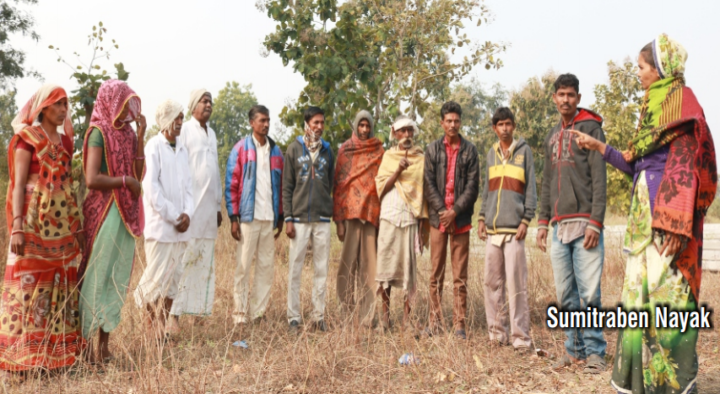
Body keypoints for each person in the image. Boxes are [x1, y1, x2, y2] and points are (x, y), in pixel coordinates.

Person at [573, 35, 716, 393]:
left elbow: (685, 167)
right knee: (639, 297)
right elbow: (635, 165)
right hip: (643, 220)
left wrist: (677, 224)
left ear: (660, 69)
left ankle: (676, 383)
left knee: (669, 297)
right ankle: (641, 381)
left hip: (667, 222)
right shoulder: (652, 106)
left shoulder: (681, 105)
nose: (637, 74)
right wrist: (598, 146)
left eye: (640, 67)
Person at [0, 85, 84, 374]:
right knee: (27, 286)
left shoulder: (66, 142)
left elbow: (68, 184)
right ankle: (21, 361)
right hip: (32, 227)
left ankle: (53, 358)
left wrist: (76, 226)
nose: (63, 110)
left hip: (60, 229)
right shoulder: (26, 141)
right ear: (43, 108)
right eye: (58, 104)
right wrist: (17, 228)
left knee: (57, 284)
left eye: (65, 104)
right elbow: (18, 185)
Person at [536, 73, 608, 373]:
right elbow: (547, 181)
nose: (565, 99)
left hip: (585, 223)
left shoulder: (591, 129)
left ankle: (595, 353)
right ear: (554, 98)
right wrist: (542, 221)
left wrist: (596, 222)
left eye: (570, 94)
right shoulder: (552, 136)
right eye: (560, 94)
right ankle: (574, 350)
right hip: (559, 226)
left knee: (589, 292)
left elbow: (600, 179)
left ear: (578, 98)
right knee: (566, 292)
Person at [80, 79, 145, 364]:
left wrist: (141, 136)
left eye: (128, 102)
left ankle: (104, 348)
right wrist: (123, 180)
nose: (125, 109)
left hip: (124, 215)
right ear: (109, 101)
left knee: (116, 278)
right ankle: (85, 348)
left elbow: (138, 173)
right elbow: (92, 178)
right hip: (104, 211)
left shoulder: (128, 134)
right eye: (121, 101)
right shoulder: (98, 132)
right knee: (96, 276)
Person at [477, 107, 536, 353]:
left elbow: (531, 189)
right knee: (492, 283)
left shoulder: (524, 152)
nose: (504, 128)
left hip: (514, 230)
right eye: (500, 124)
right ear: (494, 128)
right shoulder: (490, 154)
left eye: (508, 124)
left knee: (516, 285)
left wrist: (526, 220)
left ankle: (520, 337)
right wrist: (482, 217)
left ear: (513, 126)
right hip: (493, 230)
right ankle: (496, 334)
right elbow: (487, 190)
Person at [133, 99, 193, 338]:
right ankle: (151, 329)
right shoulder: (153, 146)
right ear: (166, 120)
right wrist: (174, 216)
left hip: (181, 228)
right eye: (177, 118)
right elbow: (152, 188)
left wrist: (187, 213)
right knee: (155, 280)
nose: (180, 122)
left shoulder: (182, 149)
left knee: (173, 280)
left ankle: (163, 325)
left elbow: (189, 187)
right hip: (161, 227)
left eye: (181, 118)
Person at [423, 101, 480, 340]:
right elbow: (428, 183)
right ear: (442, 122)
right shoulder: (432, 149)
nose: (452, 124)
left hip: (460, 220)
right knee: (436, 273)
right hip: (438, 220)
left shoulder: (470, 150)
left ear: (460, 122)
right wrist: (442, 212)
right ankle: (434, 321)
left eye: (456, 120)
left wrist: (454, 211)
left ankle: (459, 324)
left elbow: (472, 186)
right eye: (448, 120)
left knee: (460, 276)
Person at [225, 105, 284, 326]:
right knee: (243, 266)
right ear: (252, 123)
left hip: (269, 218)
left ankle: (258, 313)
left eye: (268, 120)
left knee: (266, 268)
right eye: (262, 120)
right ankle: (240, 314)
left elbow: (279, 186)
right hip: (248, 218)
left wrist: (281, 216)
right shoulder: (241, 149)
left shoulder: (276, 151)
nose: (266, 124)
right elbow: (231, 184)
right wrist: (233, 218)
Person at [170, 89, 223, 321]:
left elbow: (216, 171)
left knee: (203, 262)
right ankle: (173, 315)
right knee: (185, 261)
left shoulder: (212, 134)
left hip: (210, 209)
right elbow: (180, 167)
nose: (209, 104)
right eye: (204, 101)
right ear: (194, 107)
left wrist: (219, 206)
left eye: (210, 101)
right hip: (191, 208)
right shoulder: (186, 131)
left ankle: (197, 312)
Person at [283, 106, 334, 333]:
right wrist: (288, 219)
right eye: (315, 123)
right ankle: (293, 317)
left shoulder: (327, 151)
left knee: (321, 268)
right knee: (295, 268)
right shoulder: (294, 149)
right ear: (306, 124)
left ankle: (318, 315)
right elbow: (287, 187)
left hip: (322, 218)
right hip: (300, 218)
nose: (319, 127)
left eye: (322, 123)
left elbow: (330, 184)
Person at [375, 115, 429, 331]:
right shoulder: (388, 157)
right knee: (385, 268)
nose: (406, 135)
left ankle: (407, 320)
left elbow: (423, 191)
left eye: (409, 131)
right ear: (395, 133)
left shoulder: (420, 158)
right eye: (402, 131)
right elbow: (381, 189)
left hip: (409, 217)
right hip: (389, 215)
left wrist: (423, 224)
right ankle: (384, 319)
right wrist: (397, 170)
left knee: (409, 270)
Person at [333, 110, 384, 328]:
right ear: (355, 125)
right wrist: (339, 221)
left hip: (372, 215)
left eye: (367, 126)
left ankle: (366, 317)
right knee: (347, 267)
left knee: (369, 269)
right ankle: (346, 313)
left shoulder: (379, 151)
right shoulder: (346, 149)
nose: (364, 130)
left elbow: (383, 183)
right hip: (350, 216)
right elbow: (339, 186)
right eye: (360, 125)